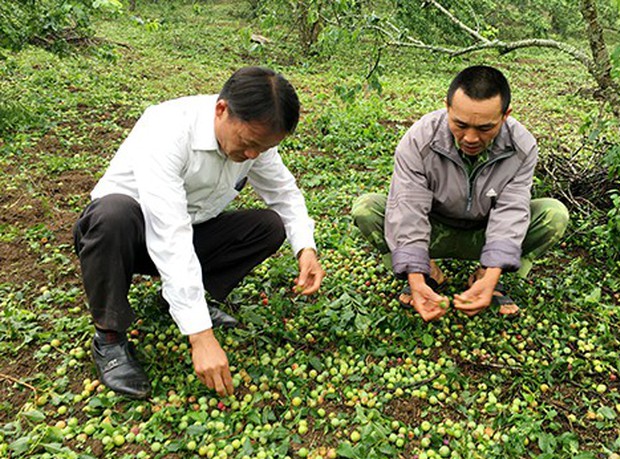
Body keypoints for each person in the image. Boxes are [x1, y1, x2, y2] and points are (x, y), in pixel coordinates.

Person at [73, 67, 324, 399]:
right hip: (124, 240)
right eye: (249, 144)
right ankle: (109, 338)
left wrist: (306, 249)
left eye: (262, 149)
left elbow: (284, 194)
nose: (252, 156)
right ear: (222, 110)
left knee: (268, 227)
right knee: (112, 215)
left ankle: (173, 301)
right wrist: (200, 335)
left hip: (191, 229)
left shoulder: (254, 140)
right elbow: (169, 234)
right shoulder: (167, 129)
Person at [352, 65, 568, 322]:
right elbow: (408, 208)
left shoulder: (521, 146)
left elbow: (511, 210)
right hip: (435, 230)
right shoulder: (419, 139)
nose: (471, 138)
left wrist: (492, 274)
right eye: (460, 124)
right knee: (367, 208)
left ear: (505, 115)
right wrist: (415, 276)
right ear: (447, 107)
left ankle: (488, 278)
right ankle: (425, 272)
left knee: (554, 214)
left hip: (484, 233)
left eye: (485, 128)